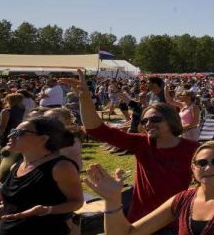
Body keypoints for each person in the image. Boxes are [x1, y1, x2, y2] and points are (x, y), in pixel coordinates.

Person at [60, 70, 198, 232]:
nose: (148, 124)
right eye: (145, 120)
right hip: (139, 219)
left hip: (174, 220)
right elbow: (97, 130)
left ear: (171, 121)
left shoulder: (193, 149)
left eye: (155, 119)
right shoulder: (141, 143)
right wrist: (84, 97)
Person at [83, 141, 214, 235]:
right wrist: (112, 201)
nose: (208, 167)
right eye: (201, 163)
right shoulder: (183, 199)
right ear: (193, 168)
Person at [0, 117, 84, 234]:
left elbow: (76, 202)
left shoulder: (61, 167)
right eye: (12, 131)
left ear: (43, 138)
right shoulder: (16, 166)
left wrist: (46, 210)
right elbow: (15, 206)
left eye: (19, 133)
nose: (10, 136)